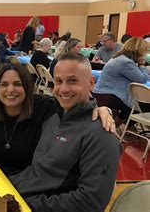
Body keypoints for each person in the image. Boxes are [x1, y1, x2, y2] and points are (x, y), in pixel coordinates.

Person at [10, 53, 121, 212]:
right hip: (16, 194)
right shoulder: (52, 116)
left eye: (73, 81)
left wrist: (24, 206)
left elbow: (90, 202)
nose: (64, 89)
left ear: (91, 83)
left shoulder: (101, 135)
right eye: (58, 81)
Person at [93, 37, 149, 124]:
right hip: (108, 95)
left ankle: (118, 127)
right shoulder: (126, 62)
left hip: (102, 93)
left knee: (135, 105)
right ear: (139, 51)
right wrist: (142, 64)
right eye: (145, 51)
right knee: (143, 105)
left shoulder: (120, 58)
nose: (145, 54)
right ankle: (119, 128)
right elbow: (142, 79)